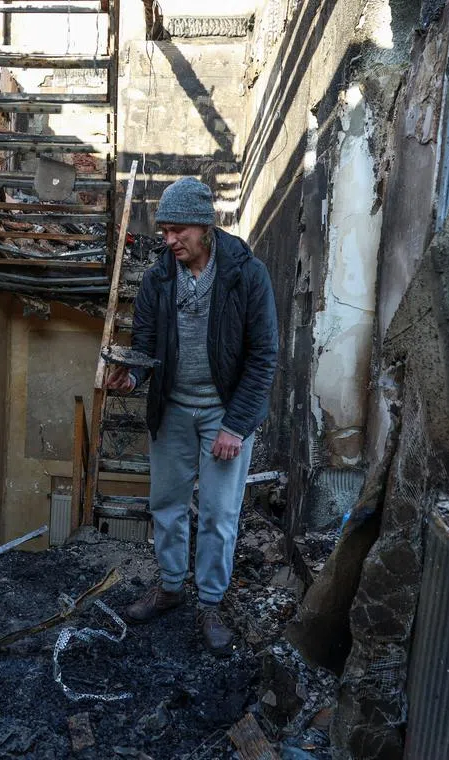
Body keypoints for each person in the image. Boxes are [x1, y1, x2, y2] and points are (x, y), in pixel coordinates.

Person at [107, 177, 278, 655]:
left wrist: (236, 426)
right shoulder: (159, 278)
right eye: (164, 231)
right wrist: (133, 378)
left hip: (224, 412)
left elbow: (263, 356)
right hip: (174, 410)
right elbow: (144, 346)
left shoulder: (246, 274)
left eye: (178, 230)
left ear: (205, 226)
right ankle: (169, 587)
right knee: (166, 504)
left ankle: (210, 604)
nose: (169, 240)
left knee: (221, 514)